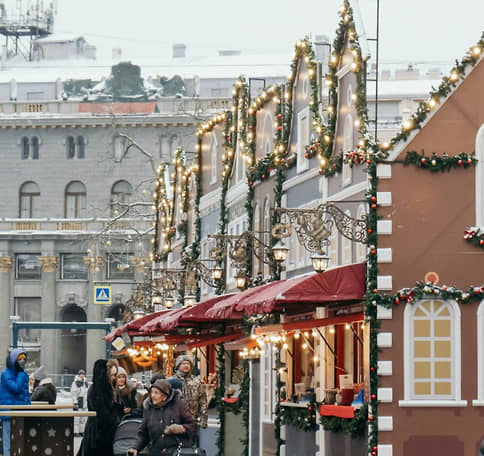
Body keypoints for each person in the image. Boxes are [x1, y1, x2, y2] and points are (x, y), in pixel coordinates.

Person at [128, 379, 196, 456]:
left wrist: (181, 428)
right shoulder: (149, 408)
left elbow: (192, 425)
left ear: (164, 396)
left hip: (177, 452)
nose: (152, 395)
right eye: (152, 392)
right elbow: (143, 433)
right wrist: (135, 448)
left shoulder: (179, 404)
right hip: (156, 452)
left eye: (156, 393)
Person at [77, 359, 123, 456]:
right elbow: (104, 416)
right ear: (105, 375)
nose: (114, 378)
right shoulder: (98, 391)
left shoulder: (107, 390)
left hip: (99, 434)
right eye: (113, 375)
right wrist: (117, 413)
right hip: (98, 436)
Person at [0, 349, 31, 456]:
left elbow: (25, 393)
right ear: (13, 360)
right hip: (9, 412)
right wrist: (21, 374)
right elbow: (16, 388)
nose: (22, 361)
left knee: (21, 440)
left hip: (21, 411)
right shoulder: (6, 374)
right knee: (8, 441)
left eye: (24, 359)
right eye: (19, 359)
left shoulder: (20, 374)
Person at [170, 354, 208, 429]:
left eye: (188, 363)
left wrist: (204, 418)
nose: (186, 365)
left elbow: (203, 400)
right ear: (178, 366)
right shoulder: (172, 381)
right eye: (183, 363)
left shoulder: (197, 381)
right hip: (176, 421)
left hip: (192, 420)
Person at [70, 369, 89, 436]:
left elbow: (87, 392)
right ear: (78, 375)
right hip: (78, 401)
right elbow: (73, 393)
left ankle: (82, 431)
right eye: (80, 374)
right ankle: (75, 432)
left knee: (83, 419)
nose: (82, 375)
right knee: (76, 418)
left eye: (83, 374)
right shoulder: (75, 383)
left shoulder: (86, 383)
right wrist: (75, 402)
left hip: (85, 402)